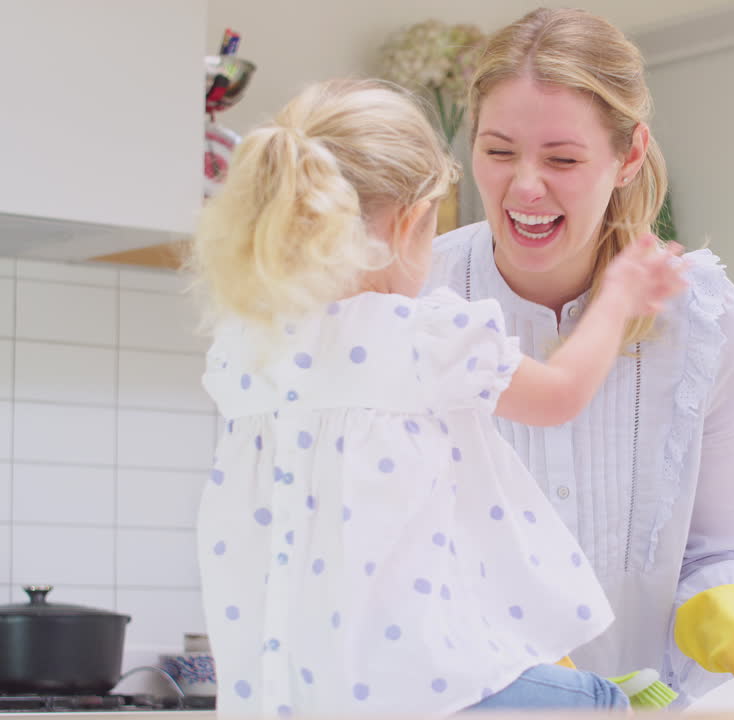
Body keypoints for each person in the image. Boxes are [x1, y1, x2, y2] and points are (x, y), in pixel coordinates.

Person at [188, 77, 686, 716]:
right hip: (427, 690)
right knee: (598, 702)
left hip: (287, 698)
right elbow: (558, 396)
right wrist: (618, 297)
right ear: (411, 222)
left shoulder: (244, 346)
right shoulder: (417, 334)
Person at [425, 7, 734, 706]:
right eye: (498, 151)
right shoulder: (417, 303)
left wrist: (727, 622)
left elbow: (723, 548)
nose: (525, 186)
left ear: (629, 156)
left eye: (562, 159)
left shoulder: (706, 321)